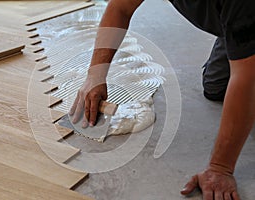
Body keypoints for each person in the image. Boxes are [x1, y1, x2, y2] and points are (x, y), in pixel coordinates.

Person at [69, 0, 255, 199]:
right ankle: (238, 37)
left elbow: (247, 78)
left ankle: (243, 40)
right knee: (215, 87)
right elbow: (120, 8)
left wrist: (220, 168)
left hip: (246, 13)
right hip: (238, 21)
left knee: (246, 76)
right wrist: (95, 75)